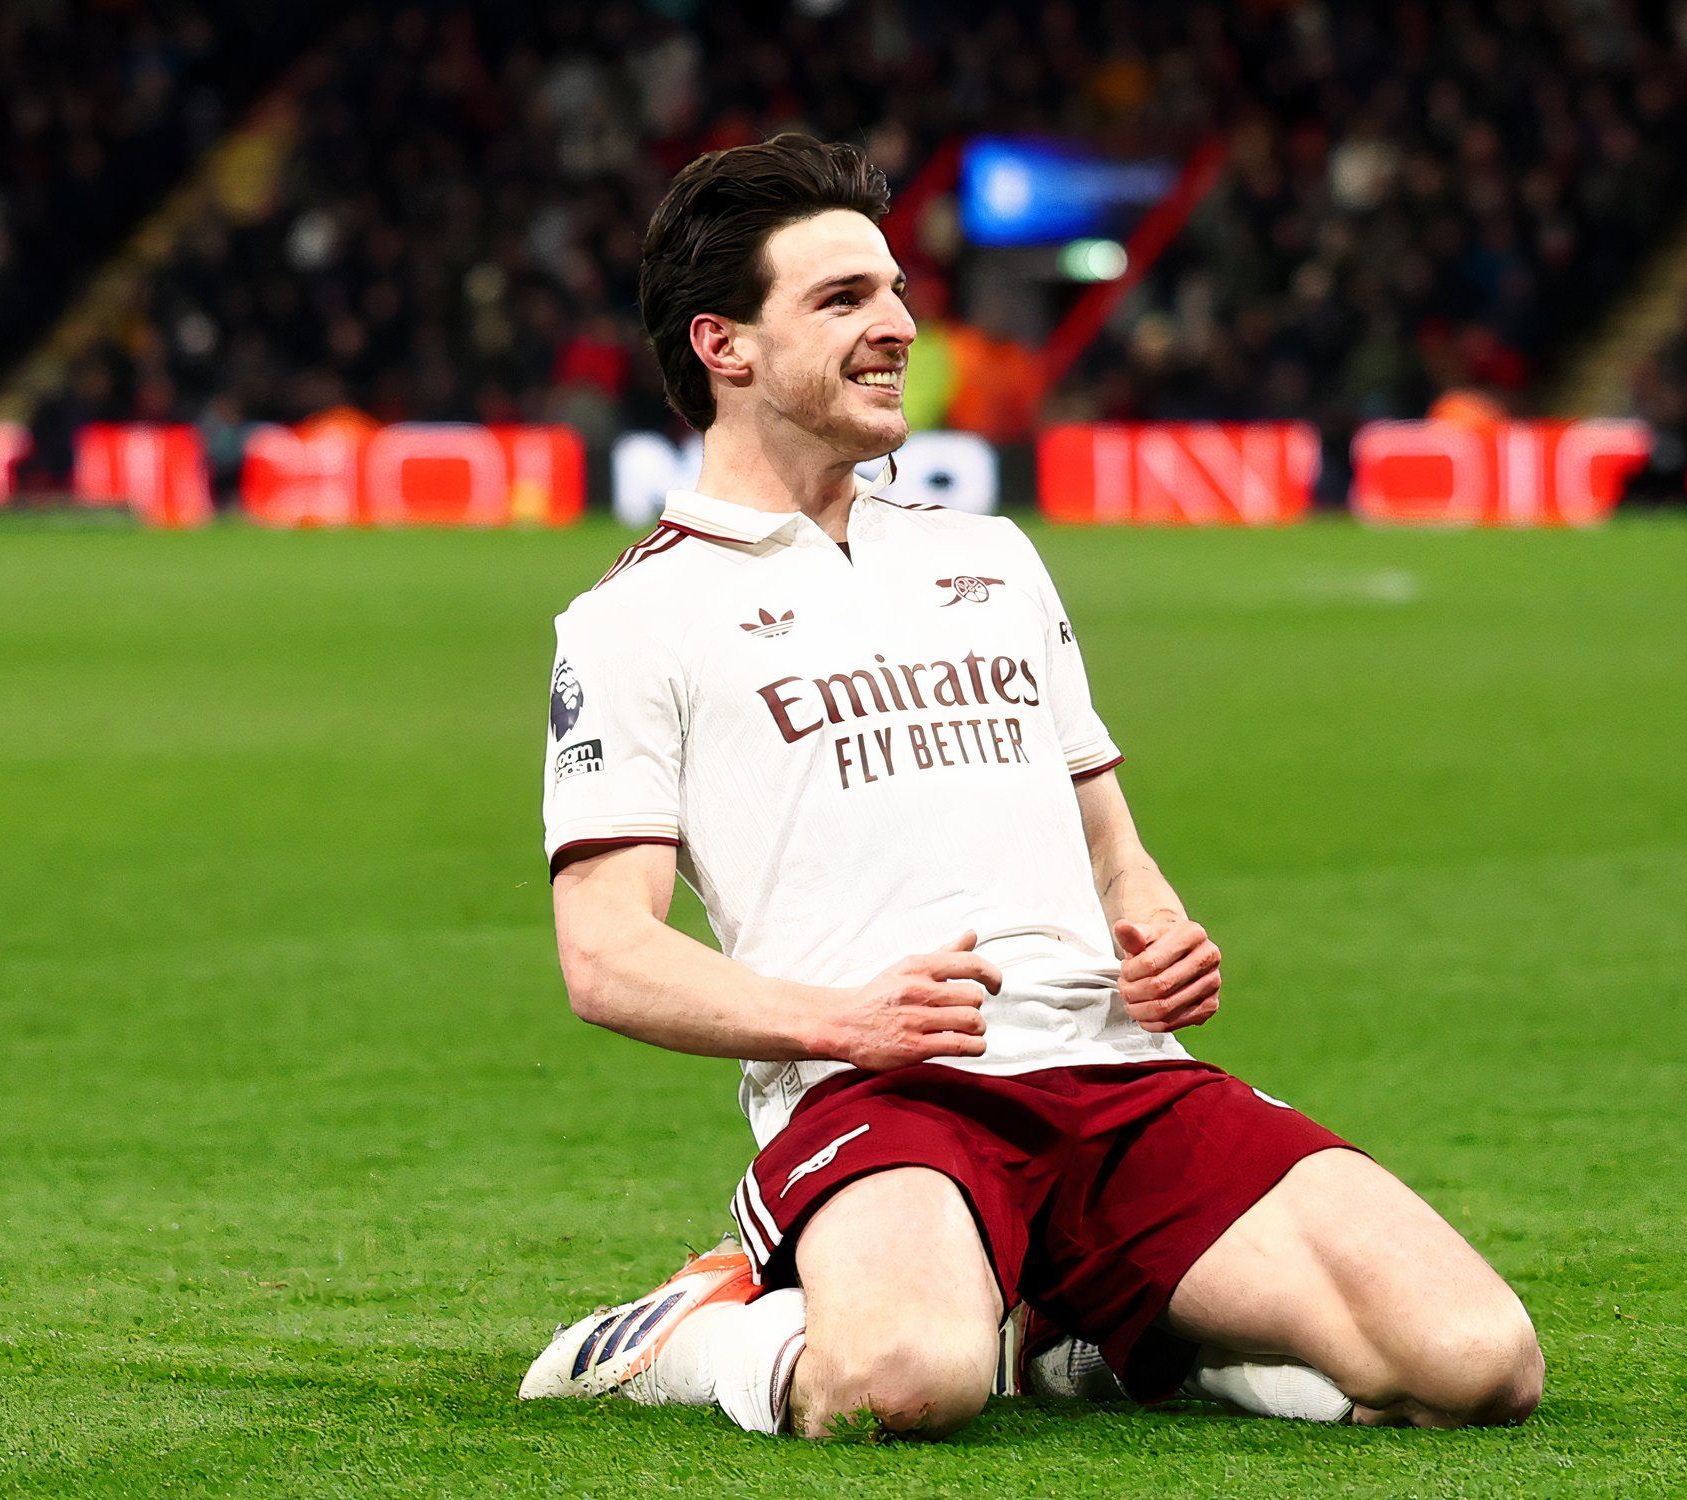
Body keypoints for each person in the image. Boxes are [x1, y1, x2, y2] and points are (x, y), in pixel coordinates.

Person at [519, 133, 1542, 1440]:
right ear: (725, 346)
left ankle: (1084, 1335)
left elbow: (1115, 850)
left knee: (1478, 1362)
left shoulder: (994, 559)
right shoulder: (635, 620)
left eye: (893, 292)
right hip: (889, 1095)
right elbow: (605, 955)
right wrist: (845, 1025)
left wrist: (1160, 933)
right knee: (906, 1380)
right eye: (843, 300)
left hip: (1116, 1071)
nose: (896, 327)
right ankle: (697, 1326)